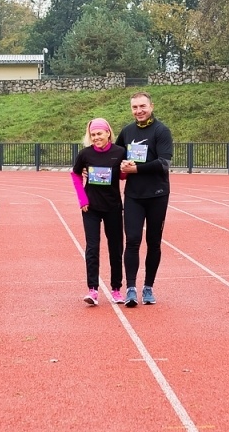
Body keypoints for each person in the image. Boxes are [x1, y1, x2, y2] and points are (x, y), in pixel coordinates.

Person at [116, 92, 174, 306]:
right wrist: (89, 168)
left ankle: (148, 287)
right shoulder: (127, 131)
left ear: (151, 106)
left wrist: (136, 169)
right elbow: (115, 156)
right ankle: (130, 288)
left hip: (157, 195)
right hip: (133, 195)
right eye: (134, 107)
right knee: (132, 240)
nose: (139, 111)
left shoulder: (161, 131)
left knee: (153, 242)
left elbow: (164, 163)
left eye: (142, 106)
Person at [71, 118, 127, 305]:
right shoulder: (85, 154)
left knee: (116, 248)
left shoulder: (119, 152)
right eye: (93, 135)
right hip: (91, 208)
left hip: (112, 206)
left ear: (108, 133)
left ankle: (116, 289)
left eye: (99, 134)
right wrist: (82, 199)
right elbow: (75, 175)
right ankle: (92, 290)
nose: (96, 137)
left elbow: (122, 175)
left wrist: (126, 170)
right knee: (92, 248)